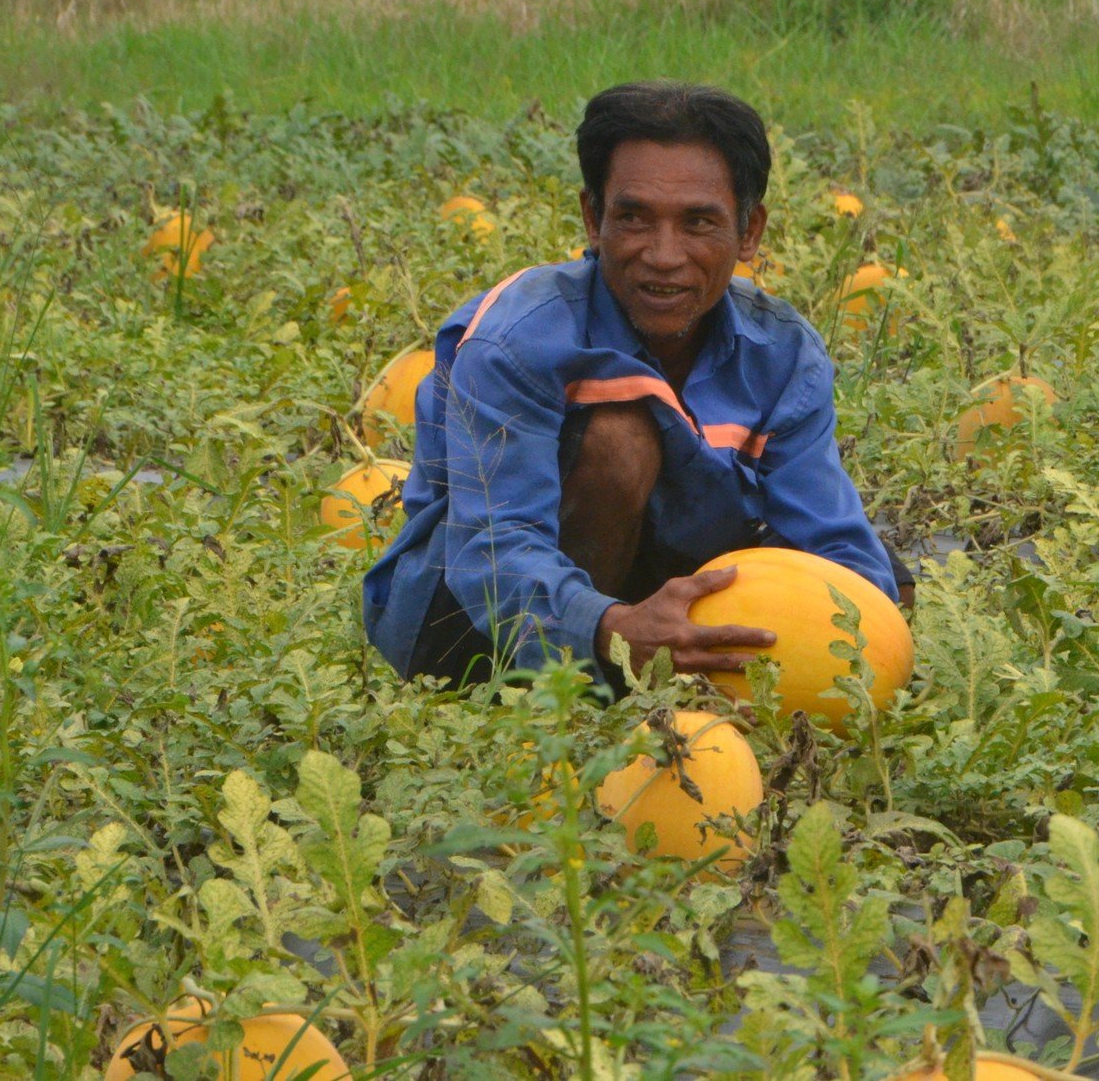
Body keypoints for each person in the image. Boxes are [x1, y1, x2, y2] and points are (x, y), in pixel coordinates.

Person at [363, 81, 911, 691]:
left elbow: (833, 540)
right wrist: (616, 631)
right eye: (634, 219)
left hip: (656, 578)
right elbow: (495, 552)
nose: (664, 256)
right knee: (620, 439)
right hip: (465, 629)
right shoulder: (514, 341)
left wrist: (861, 638)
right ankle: (587, 694)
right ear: (594, 221)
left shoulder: (783, 355)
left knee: (880, 579)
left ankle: (670, 666)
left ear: (749, 232)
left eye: (699, 223)